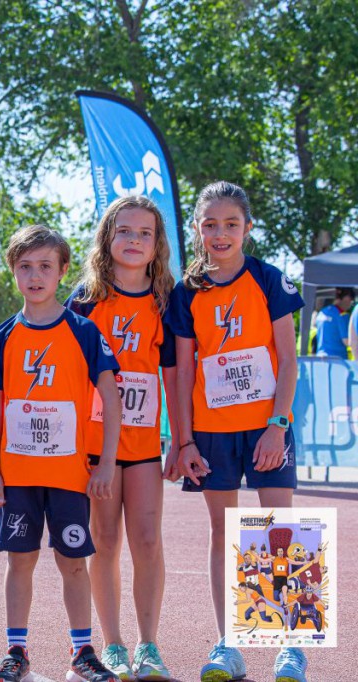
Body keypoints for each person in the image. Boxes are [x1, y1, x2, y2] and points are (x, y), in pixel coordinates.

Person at [168, 181, 308, 682]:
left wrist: (278, 424)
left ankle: (291, 646)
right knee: (224, 534)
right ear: (198, 229)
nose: (220, 233)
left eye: (231, 224)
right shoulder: (186, 292)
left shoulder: (270, 280)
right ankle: (231, 641)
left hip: (267, 428)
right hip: (211, 431)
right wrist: (183, 439)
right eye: (210, 224)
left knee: (279, 532)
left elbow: (289, 362)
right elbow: (183, 372)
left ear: (247, 227)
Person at [0, 225, 121, 682]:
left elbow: (111, 399)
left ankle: (82, 653)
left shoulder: (83, 331)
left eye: (45, 266)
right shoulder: (1, 338)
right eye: (25, 267)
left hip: (68, 477)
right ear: (13, 272)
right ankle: (15, 651)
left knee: (73, 562)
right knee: (20, 560)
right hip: (17, 475)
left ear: (62, 271)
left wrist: (108, 463)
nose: (35, 276)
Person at [65, 195, 179, 681]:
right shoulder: (85, 300)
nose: (134, 241)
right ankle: (112, 645)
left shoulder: (166, 301)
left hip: (143, 447)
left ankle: (148, 645)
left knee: (148, 541)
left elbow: (175, 374)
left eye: (144, 234)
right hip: (93, 448)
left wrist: (181, 438)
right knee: (105, 541)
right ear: (107, 238)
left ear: (157, 246)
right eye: (125, 231)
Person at [313, 287, 353, 358]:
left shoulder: (322, 313)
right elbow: (347, 341)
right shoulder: (342, 315)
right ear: (346, 298)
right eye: (351, 300)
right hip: (338, 360)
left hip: (320, 358)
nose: (350, 304)